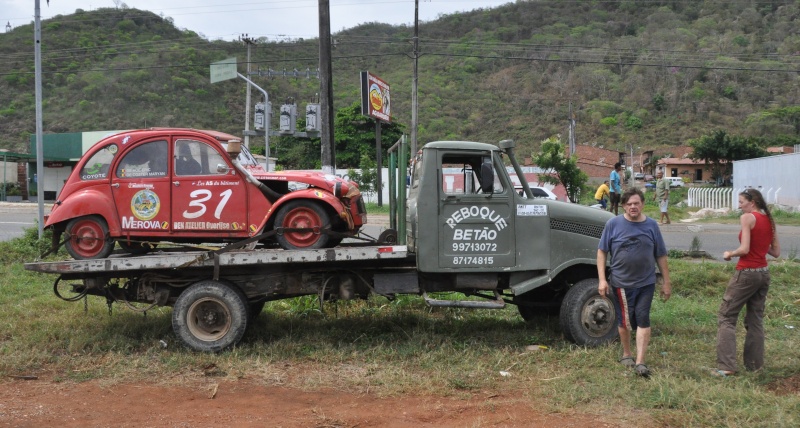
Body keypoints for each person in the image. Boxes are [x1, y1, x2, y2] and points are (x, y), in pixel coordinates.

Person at [597, 187, 672, 377]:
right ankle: (626, 353)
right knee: (625, 320)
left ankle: (640, 362)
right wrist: (602, 280)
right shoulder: (613, 224)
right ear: (623, 206)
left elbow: (661, 254)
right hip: (621, 283)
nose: (633, 207)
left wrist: (666, 282)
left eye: (636, 203)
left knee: (643, 317)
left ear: (643, 204)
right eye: (629, 204)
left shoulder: (652, 226)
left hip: (646, 282)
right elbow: (602, 252)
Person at [714, 188, 781, 377]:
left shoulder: (748, 218)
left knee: (726, 316)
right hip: (763, 273)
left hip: (747, 272)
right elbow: (775, 252)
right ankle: (755, 365)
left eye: (741, 201)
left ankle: (727, 366)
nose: (739, 205)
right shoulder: (769, 219)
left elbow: (744, 249)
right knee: (755, 319)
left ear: (752, 202)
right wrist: (759, 246)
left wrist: (730, 254)